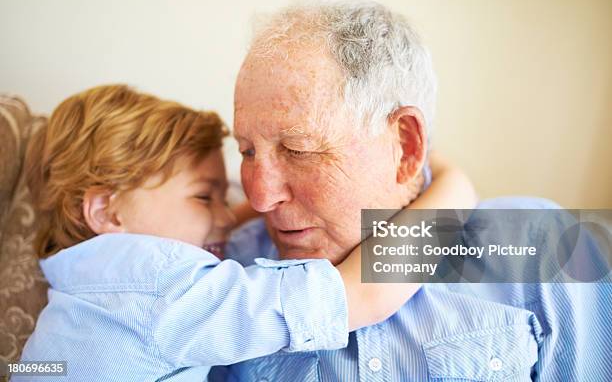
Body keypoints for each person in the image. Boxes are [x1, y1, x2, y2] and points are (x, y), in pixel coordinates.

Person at [209, 0, 611, 381]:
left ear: (406, 146)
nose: (260, 198)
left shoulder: (543, 250)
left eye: (299, 150)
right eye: (247, 152)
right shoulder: (229, 278)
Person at [16, 84, 475, 381]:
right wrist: (454, 187)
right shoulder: (165, 289)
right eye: (204, 197)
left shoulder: (78, 292)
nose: (233, 212)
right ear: (105, 210)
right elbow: (361, 296)